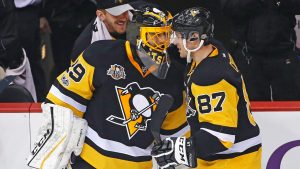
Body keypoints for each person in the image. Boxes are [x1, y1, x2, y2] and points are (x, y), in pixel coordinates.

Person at [27, 6, 188, 169]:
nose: (163, 42)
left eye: (166, 34)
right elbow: (61, 107)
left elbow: (177, 136)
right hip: (91, 162)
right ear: (137, 35)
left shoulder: (174, 78)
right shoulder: (100, 55)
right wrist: (51, 159)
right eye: (156, 35)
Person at [151, 7, 262, 169]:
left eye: (179, 36)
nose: (174, 41)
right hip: (222, 158)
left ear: (195, 37)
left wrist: (177, 150)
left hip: (233, 161)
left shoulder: (210, 76)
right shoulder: (213, 50)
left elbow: (221, 137)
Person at [221, 0, 300, 100]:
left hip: (285, 55)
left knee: (291, 106)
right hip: (247, 56)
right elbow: (228, 8)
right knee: (249, 106)